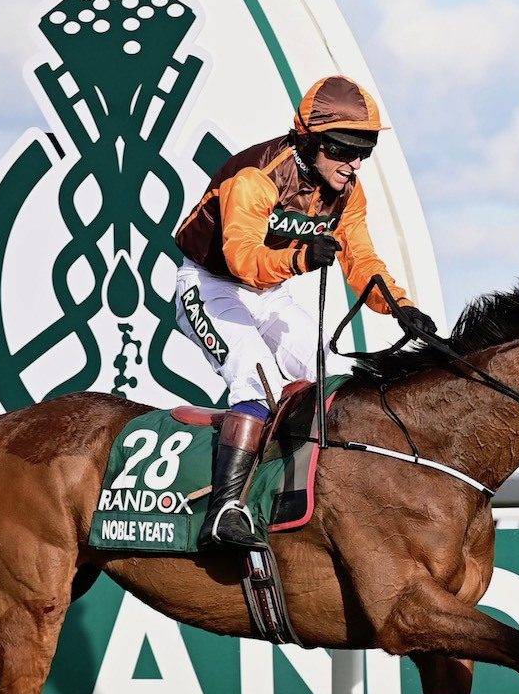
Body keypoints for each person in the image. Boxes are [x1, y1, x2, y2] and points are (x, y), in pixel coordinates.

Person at [172, 74, 437, 549]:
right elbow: (243, 260)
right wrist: (299, 259)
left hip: (270, 293)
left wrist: (400, 308)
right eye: (343, 150)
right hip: (210, 286)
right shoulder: (255, 179)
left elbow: (363, 262)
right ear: (309, 140)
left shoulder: (350, 193)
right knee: (256, 379)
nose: (354, 164)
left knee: (334, 377)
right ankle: (223, 512)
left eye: (364, 151)